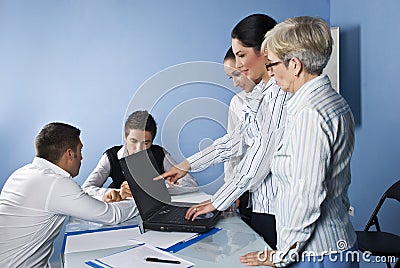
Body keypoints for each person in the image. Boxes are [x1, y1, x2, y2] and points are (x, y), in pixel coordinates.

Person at [159, 14, 291, 249]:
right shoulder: (261, 95)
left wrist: (218, 201)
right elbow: (235, 141)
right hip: (262, 205)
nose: (238, 65)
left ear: (265, 49)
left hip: (280, 210)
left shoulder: (279, 96)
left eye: (241, 55)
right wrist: (186, 165)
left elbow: (259, 157)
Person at [240, 16, 358, 267]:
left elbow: (305, 195)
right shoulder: (333, 101)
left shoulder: (310, 114)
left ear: (295, 65)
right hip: (335, 244)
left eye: (271, 64)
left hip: (317, 254)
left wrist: (282, 255)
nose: (269, 72)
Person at [0, 122, 138, 267]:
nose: (82, 158)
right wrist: (142, 198)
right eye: (80, 151)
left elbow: (75, 198)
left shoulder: (23, 173)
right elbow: (112, 215)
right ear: (70, 154)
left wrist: (106, 197)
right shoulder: (55, 184)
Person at [82, 110, 198, 201]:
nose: (138, 149)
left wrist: (158, 190)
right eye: (133, 141)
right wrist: (113, 192)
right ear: (125, 136)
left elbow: (191, 184)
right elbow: (86, 189)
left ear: (152, 141)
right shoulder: (111, 157)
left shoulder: (159, 154)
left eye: (146, 143)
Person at [223, 46, 254, 225]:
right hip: (246, 188)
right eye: (231, 77)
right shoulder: (238, 103)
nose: (235, 83)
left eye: (237, 74)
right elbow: (233, 151)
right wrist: (230, 188)